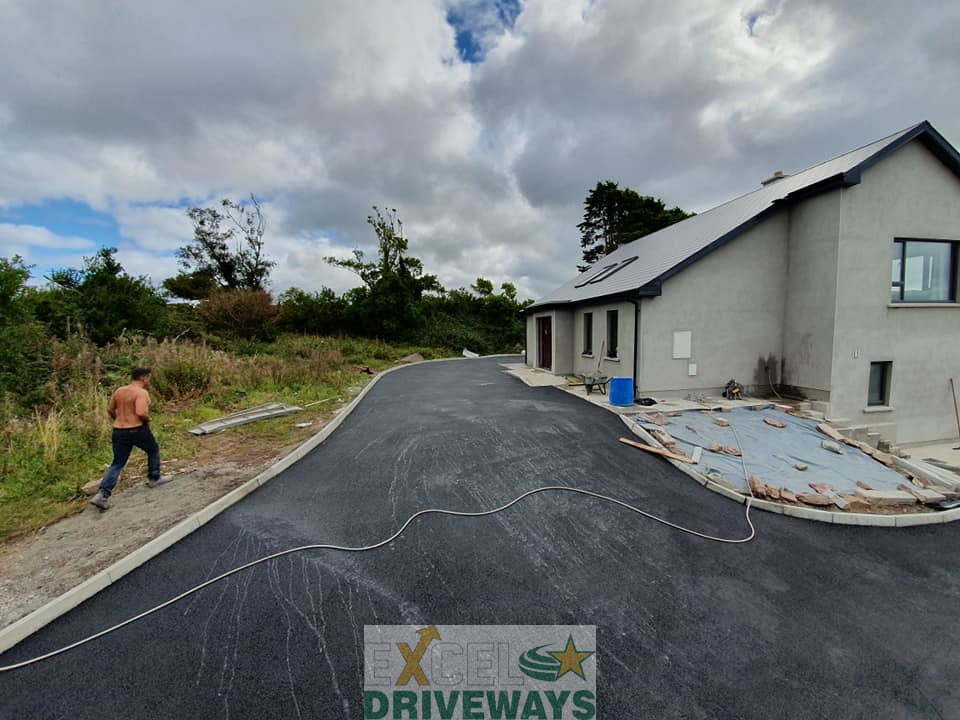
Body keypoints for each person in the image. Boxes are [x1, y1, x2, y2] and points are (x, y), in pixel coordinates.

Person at [89, 367, 170, 510]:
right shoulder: (141, 393)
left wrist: (119, 419)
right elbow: (140, 412)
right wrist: (147, 418)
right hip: (137, 430)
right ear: (144, 378)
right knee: (153, 449)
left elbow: (110, 409)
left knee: (118, 463)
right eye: (149, 378)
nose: (149, 380)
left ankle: (102, 494)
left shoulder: (119, 391)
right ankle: (154, 478)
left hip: (118, 431)